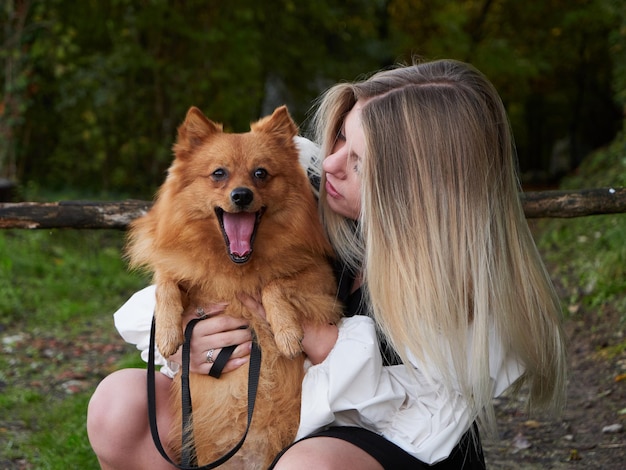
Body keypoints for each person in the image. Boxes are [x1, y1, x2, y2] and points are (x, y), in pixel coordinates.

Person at [87, 59, 567, 469]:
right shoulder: (301, 185)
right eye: (338, 137)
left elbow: (424, 427)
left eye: (358, 159)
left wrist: (322, 341)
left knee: (309, 466)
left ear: (417, 186)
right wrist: (191, 333)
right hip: (258, 421)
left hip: (380, 452)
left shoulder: (468, 287)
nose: (331, 163)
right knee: (120, 407)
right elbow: (183, 247)